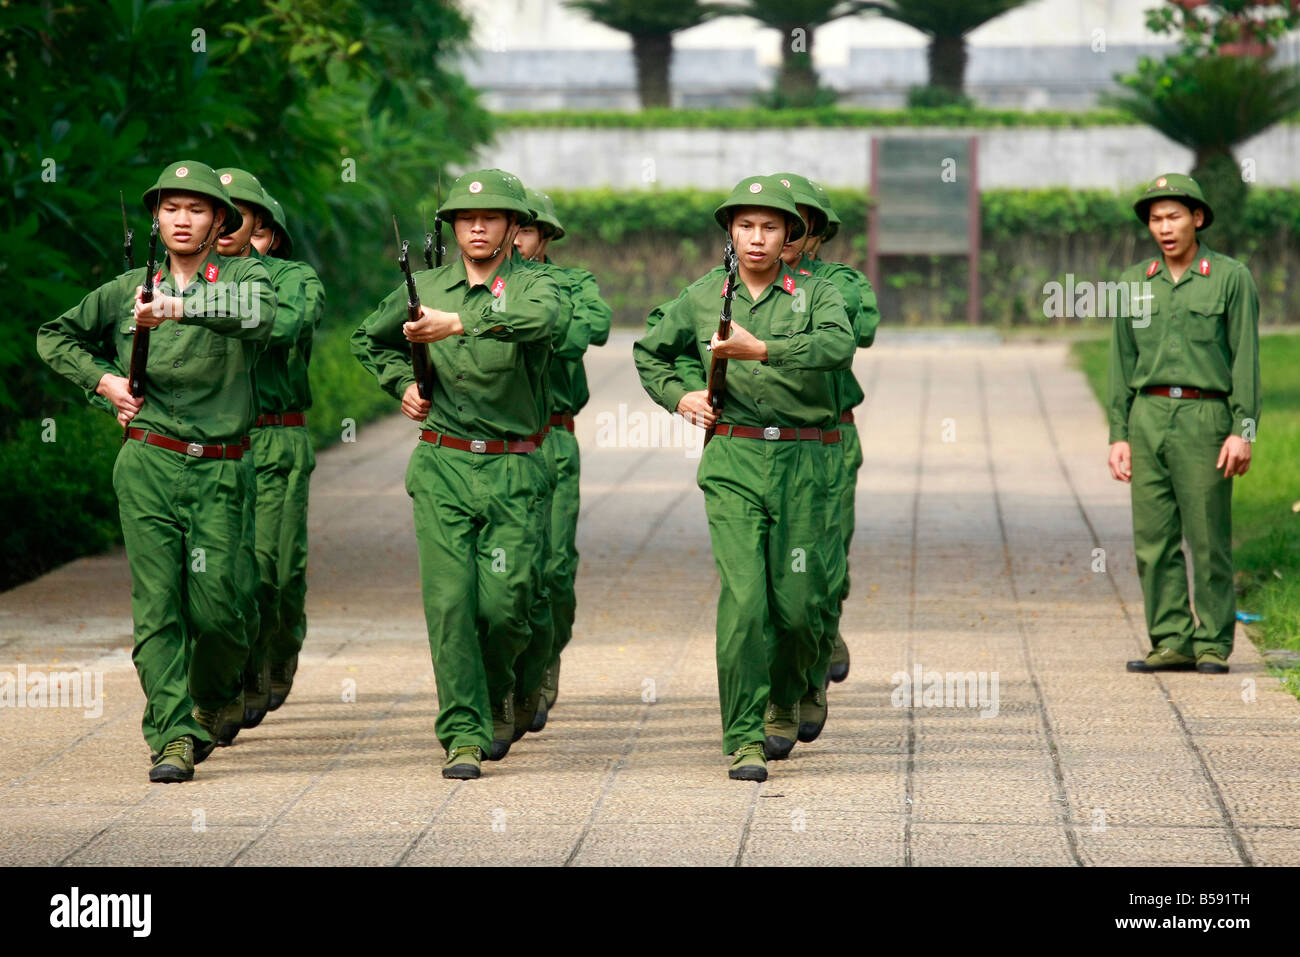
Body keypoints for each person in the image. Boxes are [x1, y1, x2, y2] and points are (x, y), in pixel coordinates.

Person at [36, 160, 275, 782]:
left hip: (220, 467)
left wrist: (175, 309)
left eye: (197, 209)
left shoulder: (245, 277)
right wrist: (105, 381)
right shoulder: (124, 289)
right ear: (156, 217)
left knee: (222, 610)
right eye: (171, 208)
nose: (183, 219)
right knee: (158, 606)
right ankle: (171, 732)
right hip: (147, 460)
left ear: (219, 220)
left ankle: (212, 692)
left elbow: (259, 317)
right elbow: (54, 336)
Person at [634, 175, 854, 781]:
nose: (756, 239)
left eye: (769, 227)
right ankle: (744, 736)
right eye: (745, 226)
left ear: (790, 236)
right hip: (733, 460)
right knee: (745, 604)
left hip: (806, 462)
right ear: (730, 232)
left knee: (803, 604)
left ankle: (790, 695)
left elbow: (838, 345)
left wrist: (765, 351)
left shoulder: (816, 294)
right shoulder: (705, 294)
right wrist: (680, 394)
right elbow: (652, 350)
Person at [351, 169, 562, 779]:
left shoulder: (537, 285)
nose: (476, 227)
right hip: (442, 461)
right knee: (449, 603)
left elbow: (543, 325)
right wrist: (403, 384)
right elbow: (370, 339)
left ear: (512, 227)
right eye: (466, 219)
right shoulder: (428, 284)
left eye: (491, 218)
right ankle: (463, 732)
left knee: (506, 606)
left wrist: (460, 323)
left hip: (515, 464)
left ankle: (503, 688)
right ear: (451, 227)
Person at [1109, 173, 1260, 675]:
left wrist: (1245, 430)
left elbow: (1247, 362)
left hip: (1206, 416)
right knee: (1152, 538)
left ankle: (1213, 640)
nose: (1164, 227)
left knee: (1207, 534)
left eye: (1174, 216)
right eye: (1155, 219)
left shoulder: (1230, 277)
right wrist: (1119, 435)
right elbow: (1119, 362)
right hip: (1148, 414)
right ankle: (1171, 638)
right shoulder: (1134, 282)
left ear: (1197, 218)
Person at [513, 189, 612, 719]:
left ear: (545, 237)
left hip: (550, 436)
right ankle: (505, 677)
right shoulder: (467, 285)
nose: (515, 239)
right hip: (488, 442)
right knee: (506, 574)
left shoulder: (572, 284)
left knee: (552, 568)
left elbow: (588, 329)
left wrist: (530, 321)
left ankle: (545, 657)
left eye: (526, 230)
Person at [250, 192, 325, 711]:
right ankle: (236, 670)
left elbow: (287, 324)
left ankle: (281, 644)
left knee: (276, 571)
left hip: (276, 436)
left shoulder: (293, 279)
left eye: (252, 230)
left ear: (271, 236)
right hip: (209, 440)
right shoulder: (181, 283)